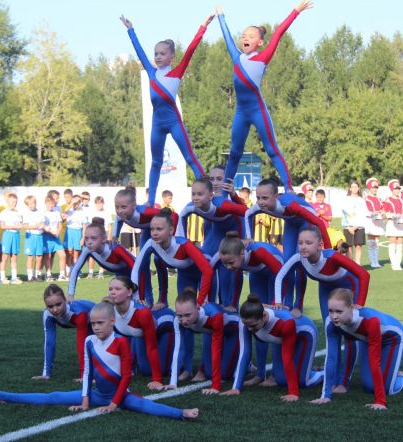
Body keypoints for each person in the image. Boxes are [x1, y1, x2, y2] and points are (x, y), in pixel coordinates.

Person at [0, 302, 199, 420]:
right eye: (93, 323)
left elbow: (125, 376)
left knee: (145, 405)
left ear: (112, 322)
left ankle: (182, 413)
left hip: (120, 396)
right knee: (53, 397)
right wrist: (85, 401)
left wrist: (114, 404)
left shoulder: (121, 342)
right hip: (96, 395)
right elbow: (87, 373)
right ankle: (4, 395)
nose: (96, 327)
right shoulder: (89, 341)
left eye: (101, 323)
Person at [216, 1, 314, 193]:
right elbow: (227, 37)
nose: (245, 38)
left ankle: (288, 188)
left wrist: (296, 11)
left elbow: (278, 32)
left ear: (259, 43)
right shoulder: (237, 57)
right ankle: (224, 191)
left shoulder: (263, 56)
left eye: (251, 36)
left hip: (257, 110)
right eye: (243, 35)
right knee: (234, 153)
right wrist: (221, 17)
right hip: (241, 113)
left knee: (272, 149)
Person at [120, 14, 212, 206]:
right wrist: (131, 30)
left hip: (174, 122)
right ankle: (151, 199)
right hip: (158, 124)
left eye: (162, 53)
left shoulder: (176, 72)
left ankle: (207, 192)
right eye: (156, 54)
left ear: (171, 56)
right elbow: (139, 52)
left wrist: (203, 26)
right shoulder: (152, 73)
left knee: (190, 157)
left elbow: (191, 49)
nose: (158, 57)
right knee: (156, 163)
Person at [310, 288, 403, 410]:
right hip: (367, 338)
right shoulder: (330, 323)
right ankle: (392, 374)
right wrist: (326, 395)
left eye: (339, 311)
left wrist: (380, 401)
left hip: (392, 339)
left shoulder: (370, 321)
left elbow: (375, 362)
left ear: (351, 308)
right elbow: (331, 358)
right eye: (331, 311)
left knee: (388, 389)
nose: (334, 316)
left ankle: (401, 377)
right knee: (369, 387)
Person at [214, 232, 292, 386]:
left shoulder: (258, 252)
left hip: (278, 276)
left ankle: (275, 375)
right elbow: (215, 271)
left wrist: (277, 300)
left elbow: (280, 274)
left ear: (242, 253)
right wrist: (227, 302)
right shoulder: (233, 254)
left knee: (275, 324)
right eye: (225, 264)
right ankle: (260, 373)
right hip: (258, 274)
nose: (228, 267)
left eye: (230, 263)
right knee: (257, 324)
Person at [222, 294, 323, 401]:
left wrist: (293, 393)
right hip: (282, 338)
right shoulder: (246, 322)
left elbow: (287, 357)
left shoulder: (285, 322)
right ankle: (309, 369)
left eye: (253, 325)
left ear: (264, 316)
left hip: (305, 335)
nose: (249, 329)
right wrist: (236, 388)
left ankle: (323, 373)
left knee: (303, 382)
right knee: (281, 380)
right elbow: (244, 353)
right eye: (246, 325)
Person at [274, 226, 370, 321]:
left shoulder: (332, 256)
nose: (303, 246)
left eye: (308, 243)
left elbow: (364, 274)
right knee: (329, 322)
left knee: (352, 321)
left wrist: (360, 303)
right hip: (325, 288)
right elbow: (280, 276)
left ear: (320, 245)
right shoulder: (298, 258)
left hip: (349, 285)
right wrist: (278, 301)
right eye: (300, 243)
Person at [133, 209, 214, 307]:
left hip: (205, 271)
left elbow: (207, 270)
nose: (154, 233)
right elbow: (137, 268)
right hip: (185, 274)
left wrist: (200, 302)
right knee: (184, 309)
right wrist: (137, 299)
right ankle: (163, 301)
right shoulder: (151, 243)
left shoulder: (183, 244)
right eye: (152, 229)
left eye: (159, 229)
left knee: (206, 310)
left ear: (171, 230)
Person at [106, 276, 176, 390]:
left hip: (166, 327)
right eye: (110, 289)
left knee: (162, 371)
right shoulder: (110, 311)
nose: (113, 292)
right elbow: (114, 345)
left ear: (129, 292)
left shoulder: (141, 313)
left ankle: (182, 367)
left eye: (117, 289)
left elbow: (152, 347)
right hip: (140, 334)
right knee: (145, 371)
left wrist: (157, 379)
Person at [68, 218, 154, 305]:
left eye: (93, 238)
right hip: (121, 275)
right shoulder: (88, 250)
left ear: (103, 239)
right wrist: (70, 294)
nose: (89, 242)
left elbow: (137, 269)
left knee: (143, 303)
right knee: (123, 305)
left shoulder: (115, 249)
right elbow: (75, 270)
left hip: (140, 272)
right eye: (86, 239)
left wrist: (140, 296)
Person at [171, 288, 239, 392]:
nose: (183, 320)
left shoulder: (213, 316)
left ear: (197, 308)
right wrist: (173, 382)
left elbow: (216, 349)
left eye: (188, 315)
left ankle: (244, 363)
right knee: (208, 373)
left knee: (225, 375)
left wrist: (215, 387)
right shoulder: (177, 320)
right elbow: (178, 349)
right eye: (180, 315)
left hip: (233, 331)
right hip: (211, 331)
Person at [31, 284, 95, 381]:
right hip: (86, 321)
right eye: (50, 306)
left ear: (65, 300)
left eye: (58, 304)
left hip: (97, 319)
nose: (55, 309)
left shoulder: (78, 312)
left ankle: (89, 374)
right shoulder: (47, 315)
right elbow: (49, 343)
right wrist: (46, 373)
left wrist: (84, 376)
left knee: (93, 347)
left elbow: (81, 344)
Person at [383, 179, 403, 271]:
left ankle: (398, 263)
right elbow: (383, 212)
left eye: (398, 189)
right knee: (393, 242)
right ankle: (393, 263)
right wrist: (393, 215)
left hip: (402, 223)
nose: (397, 190)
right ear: (392, 189)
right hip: (392, 223)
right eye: (395, 189)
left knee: (400, 243)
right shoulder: (388, 199)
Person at [0, 192, 23, 284]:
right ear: (8, 202)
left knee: (14, 257)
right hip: (8, 235)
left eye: (15, 202)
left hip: (16, 235)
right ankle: (2, 277)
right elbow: (2, 226)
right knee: (5, 257)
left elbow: (20, 224)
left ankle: (14, 277)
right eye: (12, 202)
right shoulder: (4, 213)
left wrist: (19, 226)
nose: (14, 204)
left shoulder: (18, 213)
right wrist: (13, 227)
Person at [42, 194, 67, 282]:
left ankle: (62, 275)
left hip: (56, 237)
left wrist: (57, 232)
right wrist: (49, 231)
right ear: (45, 203)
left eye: (52, 204)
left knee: (63, 255)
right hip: (47, 237)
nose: (50, 205)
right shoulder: (43, 213)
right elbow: (42, 226)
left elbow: (60, 225)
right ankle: (48, 274)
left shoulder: (56, 213)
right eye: (49, 204)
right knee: (48, 256)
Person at [341, 180, 367, 264]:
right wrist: (348, 226)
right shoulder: (346, 199)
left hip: (359, 226)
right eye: (353, 187)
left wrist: (356, 225)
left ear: (359, 188)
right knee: (348, 247)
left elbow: (363, 214)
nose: (354, 189)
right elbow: (344, 213)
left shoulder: (362, 200)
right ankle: (350, 264)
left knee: (358, 246)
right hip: (348, 226)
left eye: (356, 187)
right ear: (350, 189)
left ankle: (357, 264)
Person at [22, 195, 46, 281]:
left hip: (39, 236)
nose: (32, 205)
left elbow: (42, 223)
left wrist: (40, 225)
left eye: (33, 203)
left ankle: (38, 275)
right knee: (30, 256)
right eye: (29, 204)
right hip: (30, 236)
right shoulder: (26, 213)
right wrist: (34, 226)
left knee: (39, 257)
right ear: (27, 205)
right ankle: (30, 276)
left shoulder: (41, 212)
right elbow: (25, 226)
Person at [364, 178, 385, 269]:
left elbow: (383, 209)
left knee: (377, 240)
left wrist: (383, 212)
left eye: (376, 187)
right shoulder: (366, 199)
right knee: (371, 241)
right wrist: (372, 213)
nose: (375, 189)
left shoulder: (380, 199)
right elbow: (364, 211)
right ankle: (372, 261)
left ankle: (376, 260)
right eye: (373, 187)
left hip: (379, 221)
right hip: (370, 221)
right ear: (369, 188)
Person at [87, 195, 111, 279]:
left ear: (103, 203)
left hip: (103, 235)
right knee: (92, 254)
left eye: (101, 203)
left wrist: (109, 238)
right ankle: (90, 272)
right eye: (97, 204)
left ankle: (101, 272)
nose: (99, 205)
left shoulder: (107, 213)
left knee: (102, 253)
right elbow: (89, 226)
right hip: (94, 236)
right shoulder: (92, 213)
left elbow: (109, 226)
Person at [64, 196, 87, 273]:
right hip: (69, 232)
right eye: (75, 203)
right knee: (69, 252)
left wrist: (83, 238)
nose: (76, 204)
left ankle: (75, 271)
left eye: (78, 203)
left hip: (78, 232)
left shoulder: (82, 212)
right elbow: (65, 210)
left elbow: (84, 227)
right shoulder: (70, 210)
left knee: (76, 253)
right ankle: (68, 271)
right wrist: (72, 202)